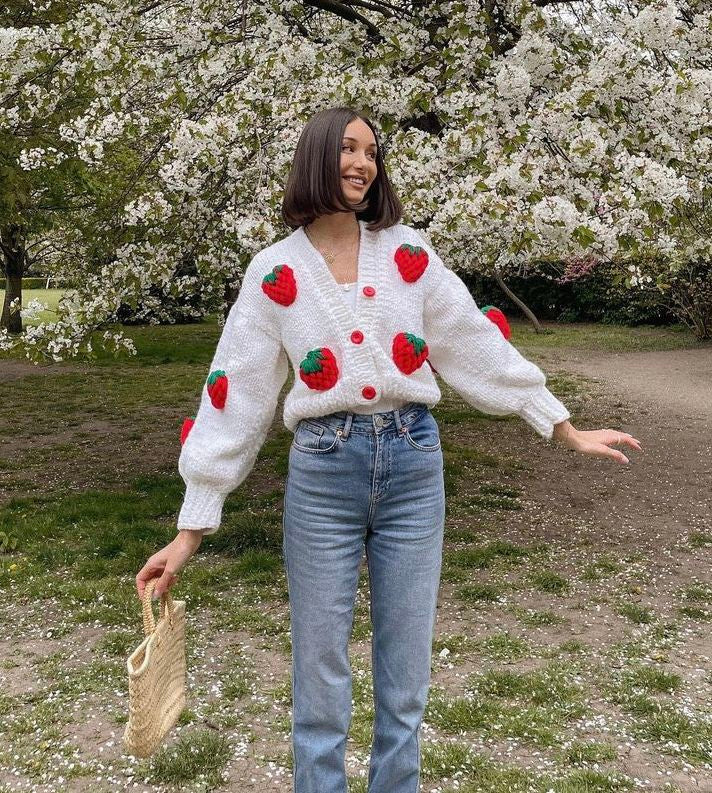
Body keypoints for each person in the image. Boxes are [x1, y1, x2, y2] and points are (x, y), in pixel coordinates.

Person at [136, 106, 641, 792]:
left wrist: (559, 422)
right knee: (319, 677)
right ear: (318, 156)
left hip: (413, 466)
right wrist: (190, 530)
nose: (361, 163)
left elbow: (471, 341)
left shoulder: (409, 252)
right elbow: (237, 397)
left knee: (405, 674)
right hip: (322, 472)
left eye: (371, 152)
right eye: (347, 148)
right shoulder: (272, 272)